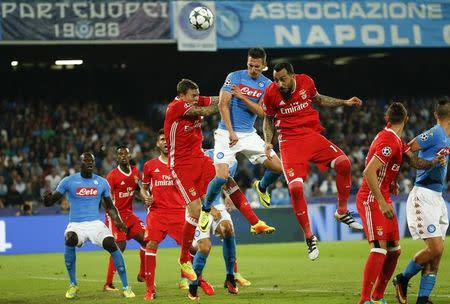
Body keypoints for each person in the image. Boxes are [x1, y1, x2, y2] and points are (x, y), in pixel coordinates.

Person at [164, 79, 274, 283]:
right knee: (195, 212)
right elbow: (206, 110)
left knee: (225, 179)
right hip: (180, 165)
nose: (197, 98)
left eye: (197, 95)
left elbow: (212, 99)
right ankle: (184, 259)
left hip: (198, 157)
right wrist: (228, 103)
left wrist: (226, 94)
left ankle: (254, 222)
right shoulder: (176, 106)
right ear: (182, 95)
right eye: (193, 95)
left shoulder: (192, 101)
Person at [262, 62, 363, 260]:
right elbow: (267, 119)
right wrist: (267, 142)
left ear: (292, 75)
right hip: (289, 142)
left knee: (344, 163)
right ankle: (309, 237)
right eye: (275, 79)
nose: (279, 83)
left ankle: (342, 211)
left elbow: (319, 99)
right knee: (296, 189)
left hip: (310, 135)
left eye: (282, 79)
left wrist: (344, 102)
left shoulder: (306, 82)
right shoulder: (271, 93)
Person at [355, 103, 444, 304]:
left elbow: (411, 161)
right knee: (379, 248)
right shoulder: (389, 141)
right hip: (371, 198)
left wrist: (432, 163)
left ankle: (377, 297)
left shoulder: (394, 139)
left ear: (388, 119)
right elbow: (368, 172)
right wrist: (380, 201)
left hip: (383, 197)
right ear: (406, 120)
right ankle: (364, 300)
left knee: (394, 251)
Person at [202, 47, 283, 232]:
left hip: (249, 134)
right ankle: (206, 210)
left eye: (256, 66)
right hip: (226, 133)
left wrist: (243, 97)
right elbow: (223, 104)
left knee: (278, 167)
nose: (252, 69)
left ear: (264, 66)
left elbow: (263, 112)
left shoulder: (268, 85)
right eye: (250, 65)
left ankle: (261, 187)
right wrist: (231, 132)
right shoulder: (235, 77)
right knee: (221, 176)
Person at [43, 152, 135, 299]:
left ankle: (126, 287)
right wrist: (47, 200)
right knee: (70, 238)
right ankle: (73, 284)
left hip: (95, 224)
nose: (90, 163)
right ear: (80, 163)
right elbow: (53, 199)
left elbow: (110, 206)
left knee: (112, 244)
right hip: (76, 224)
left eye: (91, 161)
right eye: (86, 161)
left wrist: (118, 221)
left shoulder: (102, 182)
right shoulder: (68, 181)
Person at [140, 129, 215, 301]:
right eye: (162, 139)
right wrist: (146, 197)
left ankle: (198, 280)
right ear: (157, 144)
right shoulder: (150, 165)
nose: (166, 142)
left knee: (193, 249)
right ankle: (150, 289)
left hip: (179, 212)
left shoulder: (182, 164)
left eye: (168, 139)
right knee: (151, 245)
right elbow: (143, 189)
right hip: (157, 212)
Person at [393, 98, 450, 304]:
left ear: (436, 114)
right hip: (423, 195)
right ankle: (402, 278)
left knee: (437, 253)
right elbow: (407, 148)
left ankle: (423, 299)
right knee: (434, 248)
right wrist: (425, 164)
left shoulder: (447, 138)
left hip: (437, 197)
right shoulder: (435, 133)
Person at [188, 149, 253, 300]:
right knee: (204, 247)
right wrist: (209, 208)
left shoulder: (232, 161)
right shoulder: (196, 158)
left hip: (217, 204)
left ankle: (230, 277)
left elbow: (224, 182)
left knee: (227, 229)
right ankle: (193, 284)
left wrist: (228, 194)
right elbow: (192, 190)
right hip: (198, 206)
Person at [103, 146, 147, 292]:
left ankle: (142, 275)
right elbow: (106, 201)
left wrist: (145, 198)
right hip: (114, 215)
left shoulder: (135, 171)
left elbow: (138, 189)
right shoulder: (112, 176)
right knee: (119, 247)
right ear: (117, 158)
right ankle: (108, 283)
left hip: (128, 213)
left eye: (125, 154)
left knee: (147, 240)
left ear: (129, 156)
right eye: (120, 154)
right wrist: (116, 220)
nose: (123, 156)